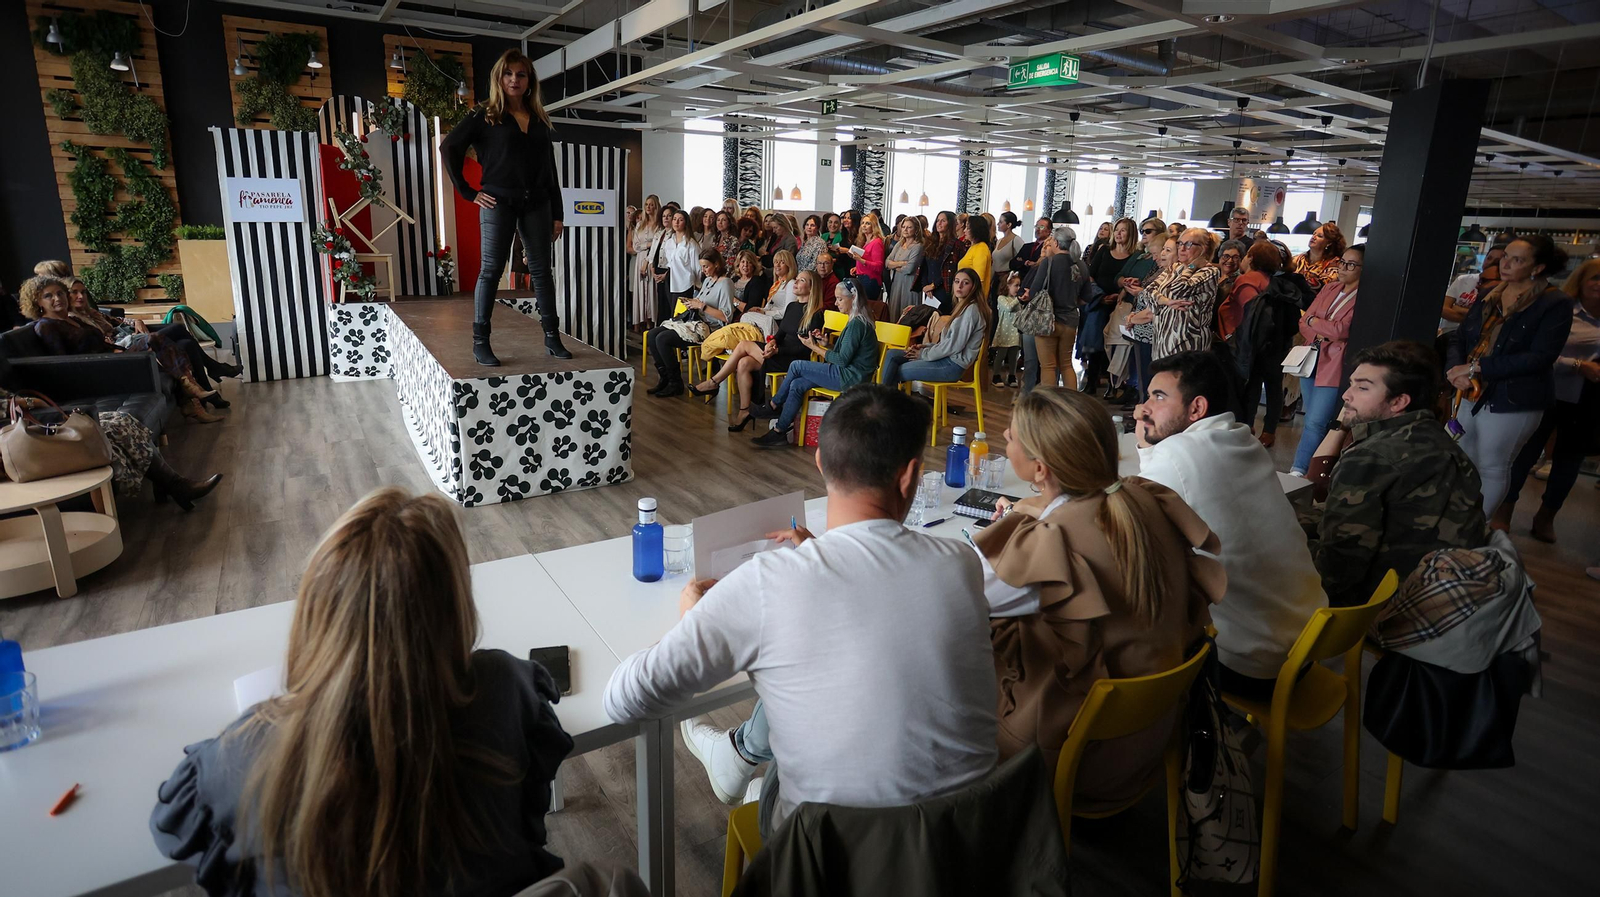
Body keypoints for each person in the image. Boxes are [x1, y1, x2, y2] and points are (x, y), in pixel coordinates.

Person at [151, 488, 575, 896]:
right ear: (456, 606)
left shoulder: (242, 755)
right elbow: (530, 818)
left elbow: (169, 830)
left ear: (317, 611)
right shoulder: (504, 684)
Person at [620, 386, 998, 832]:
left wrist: (695, 619)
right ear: (910, 474)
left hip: (830, 857)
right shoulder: (960, 564)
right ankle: (750, 767)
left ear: (819, 461)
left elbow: (627, 697)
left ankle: (747, 769)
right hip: (970, 844)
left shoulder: (769, 581)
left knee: (797, 713)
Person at [973, 387, 1220, 799]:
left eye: (1012, 436)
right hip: (1152, 733)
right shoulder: (1143, 497)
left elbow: (957, 599)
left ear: (1040, 470)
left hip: (1072, 756)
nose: (1003, 436)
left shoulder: (1053, 548)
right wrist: (1033, 508)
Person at [1134, 351, 1326, 699]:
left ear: (1197, 409)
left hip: (1251, 665)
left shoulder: (1176, 455)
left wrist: (1146, 446)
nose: (1142, 408)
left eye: (1158, 397)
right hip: (1307, 643)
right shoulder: (1241, 438)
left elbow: (1131, 521)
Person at [1303, 341, 1491, 607]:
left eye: (1362, 387)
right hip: (1448, 597)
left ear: (1399, 402)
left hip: (1388, 608)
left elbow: (1335, 574)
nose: (1347, 395)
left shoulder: (1372, 457)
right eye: (1352, 383)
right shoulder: (1441, 442)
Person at [442, 49, 568, 364]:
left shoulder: (539, 119)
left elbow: (549, 170)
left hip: (537, 201)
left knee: (541, 272)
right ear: (500, 78)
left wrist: (558, 214)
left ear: (529, 81)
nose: (514, 79)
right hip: (497, 200)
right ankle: (480, 341)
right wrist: (467, 192)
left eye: (521, 74)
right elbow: (449, 147)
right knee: (491, 270)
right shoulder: (484, 114)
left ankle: (552, 338)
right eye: (508, 74)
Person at [1446, 235, 1574, 517]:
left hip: (1514, 397)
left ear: (1537, 267)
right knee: (1461, 459)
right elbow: (1460, 338)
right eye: (1505, 257)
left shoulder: (1554, 303)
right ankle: (1455, 520)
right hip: (1469, 390)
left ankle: (1478, 525)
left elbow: (1540, 358)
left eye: (1517, 260)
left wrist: (1477, 368)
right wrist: (1454, 370)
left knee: (1492, 463)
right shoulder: (1489, 293)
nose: (1506, 264)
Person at [18, 276, 222, 424]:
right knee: (155, 340)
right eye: (48, 296)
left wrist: (114, 350)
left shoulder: (72, 320)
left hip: (111, 359)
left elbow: (99, 340)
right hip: (99, 372)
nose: (57, 298)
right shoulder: (45, 326)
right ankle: (193, 390)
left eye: (60, 293)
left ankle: (191, 396)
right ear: (38, 302)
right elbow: (64, 364)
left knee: (169, 349)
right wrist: (111, 357)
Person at [1496, 259, 1600, 541]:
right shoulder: (1561, 308)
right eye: (1596, 278)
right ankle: (1504, 512)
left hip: (1587, 401)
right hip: (1545, 391)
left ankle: (1546, 516)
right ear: (1582, 280)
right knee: (1524, 455)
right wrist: (1578, 365)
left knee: (1569, 462)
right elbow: (1539, 353)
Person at [747, 280, 880, 447]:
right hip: (849, 373)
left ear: (853, 298)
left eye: (839, 299)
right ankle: (779, 431)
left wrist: (814, 347)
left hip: (850, 377)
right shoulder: (857, 320)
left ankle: (774, 405)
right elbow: (846, 355)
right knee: (797, 383)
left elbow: (842, 360)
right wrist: (826, 344)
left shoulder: (857, 324)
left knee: (796, 365)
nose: (836, 303)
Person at [67, 279, 241, 402]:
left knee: (186, 343)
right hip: (122, 347)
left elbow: (119, 321)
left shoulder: (92, 312)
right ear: (67, 295)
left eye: (82, 292)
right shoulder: (72, 319)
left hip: (130, 337)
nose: (80, 296)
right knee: (177, 329)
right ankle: (213, 369)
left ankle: (206, 392)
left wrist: (136, 320)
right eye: (74, 292)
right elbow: (97, 343)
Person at [1288, 244, 1365, 476]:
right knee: (1313, 419)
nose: (1343, 268)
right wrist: (1320, 328)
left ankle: (1300, 469)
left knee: (1316, 422)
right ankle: (1315, 469)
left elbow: (1342, 330)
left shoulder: (1363, 296)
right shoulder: (1330, 288)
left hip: (1333, 364)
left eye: (1351, 264)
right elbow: (1303, 321)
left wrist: (1315, 324)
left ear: (1363, 268)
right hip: (1311, 357)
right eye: (1342, 262)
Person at [1227, 241, 1299, 444]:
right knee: (1274, 386)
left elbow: (1245, 314)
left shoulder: (1246, 281)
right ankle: (1269, 431)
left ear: (1250, 258)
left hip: (1253, 343)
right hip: (1278, 343)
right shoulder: (1280, 283)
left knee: (1252, 385)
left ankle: (1246, 426)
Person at [645, 249, 735, 398]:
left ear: (717, 264)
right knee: (653, 334)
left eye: (706, 266)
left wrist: (702, 306)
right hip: (696, 322)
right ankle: (665, 377)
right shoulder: (708, 281)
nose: (703, 270)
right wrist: (691, 303)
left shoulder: (725, 283)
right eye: (702, 267)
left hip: (710, 328)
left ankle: (675, 382)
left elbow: (726, 317)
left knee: (662, 339)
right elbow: (699, 303)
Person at [881, 268, 990, 389]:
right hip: (946, 358)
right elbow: (948, 343)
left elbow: (953, 346)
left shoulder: (971, 310)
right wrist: (926, 347)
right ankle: (882, 402)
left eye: (966, 283)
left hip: (952, 365)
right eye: (957, 281)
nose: (960, 286)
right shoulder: (963, 307)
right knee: (892, 354)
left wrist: (923, 354)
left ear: (973, 287)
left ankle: (882, 404)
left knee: (896, 370)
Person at [1019, 227, 1082, 394]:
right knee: (1066, 365)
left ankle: (1050, 405)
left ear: (1055, 242)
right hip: (1071, 320)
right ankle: (1071, 403)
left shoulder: (1049, 262)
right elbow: (1087, 296)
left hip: (1048, 320)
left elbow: (1034, 292)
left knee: (1048, 366)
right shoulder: (1080, 264)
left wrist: (1028, 295)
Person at [1083, 218, 1139, 393]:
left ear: (1131, 234)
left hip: (1122, 303)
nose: (1118, 234)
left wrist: (1121, 294)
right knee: (1095, 342)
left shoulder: (1135, 256)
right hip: (1100, 300)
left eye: (1123, 230)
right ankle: (1091, 381)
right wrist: (1099, 295)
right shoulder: (1105, 251)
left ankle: (1113, 385)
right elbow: (1090, 275)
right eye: (1117, 230)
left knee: (1117, 344)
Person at [1149, 227, 1221, 360]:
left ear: (1203, 248)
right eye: (1180, 243)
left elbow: (1179, 289)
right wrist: (1167, 301)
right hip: (1163, 341)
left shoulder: (1209, 271)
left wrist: (1192, 266)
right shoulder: (1175, 267)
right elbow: (1148, 292)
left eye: (1188, 244)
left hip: (1188, 343)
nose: (1182, 249)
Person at [920, 210, 966, 312]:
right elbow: (924, 267)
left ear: (950, 224)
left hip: (945, 289)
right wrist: (925, 286)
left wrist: (933, 286)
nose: (939, 223)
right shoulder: (930, 243)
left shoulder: (957, 245)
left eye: (943, 221)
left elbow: (953, 270)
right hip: (929, 291)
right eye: (938, 220)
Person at [628, 197, 663, 331]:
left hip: (653, 259)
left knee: (652, 290)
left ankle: (652, 321)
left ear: (656, 206)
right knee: (641, 290)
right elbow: (636, 246)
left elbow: (659, 243)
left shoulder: (659, 226)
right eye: (646, 204)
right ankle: (643, 321)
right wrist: (649, 243)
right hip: (640, 259)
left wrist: (651, 245)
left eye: (651, 205)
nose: (648, 207)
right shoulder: (640, 225)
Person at [883, 215, 925, 321]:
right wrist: (902, 263)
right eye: (903, 226)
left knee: (907, 314)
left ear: (916, 229)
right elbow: (887, 263)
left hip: (910, 284)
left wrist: (895, 265)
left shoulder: (918, 246)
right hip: (896, 282)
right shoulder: (900, 244)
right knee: (894, 311)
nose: (905, 230)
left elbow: (909, 269)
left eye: (909, 227)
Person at [1290, 222, 1346, 292]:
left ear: (1329, 243)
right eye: (1314, 234)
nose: (1314, 237)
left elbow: (1324, 286)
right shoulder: (1300, 258)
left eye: (1319, 236)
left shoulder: (1335, 263)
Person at [991, 272, 1023, 388]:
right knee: (1001, 354)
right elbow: (1009, 308)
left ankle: (1012, 375)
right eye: (1016, 285)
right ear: (1007, 286)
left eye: (1019, 285)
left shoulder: (1017, 300)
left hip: (1015, 331)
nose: (1018, 288)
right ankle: (996, 375)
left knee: (1014, 355)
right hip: (1005, 331)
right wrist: (1019, 299)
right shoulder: (1002, 298)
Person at [1214, 239, 1247, 339]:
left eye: (1235, 257)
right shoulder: (1213, 276)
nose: (1230, 261)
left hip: (1226, 335)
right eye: (1226, 256)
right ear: (1219, 258)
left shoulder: (1240, 282)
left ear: (1241, 260)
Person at [850, 214, 887, 302]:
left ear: (874, 226)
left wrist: (860, 260)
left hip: (870, 281)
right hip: (862, 278)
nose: (864, 225)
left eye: (868, 223)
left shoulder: (877, 242)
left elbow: (878, 266)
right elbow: (868, 259)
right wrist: (857, 267)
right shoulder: (865, 241)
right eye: (862, 223)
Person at [958, 214, 995, 296]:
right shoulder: (974, 247)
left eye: (967, 228)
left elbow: (979, 279)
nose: (964, 231)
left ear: (975, 230)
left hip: (972, 297)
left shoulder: (981, 248)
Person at [992, 212, 1023, 299]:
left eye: (1001, 222)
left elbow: (1023, 256)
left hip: (1008, 278)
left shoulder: (1016, 240)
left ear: (1009, 224)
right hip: (996, 278)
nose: (998, 224)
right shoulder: (999, 241)